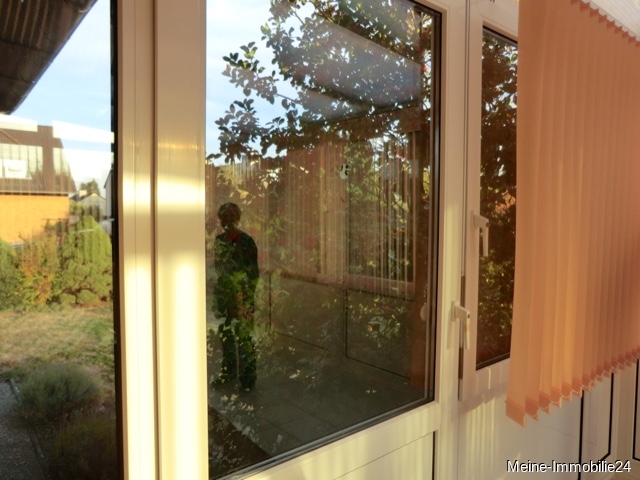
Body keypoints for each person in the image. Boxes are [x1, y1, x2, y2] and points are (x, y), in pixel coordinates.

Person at [213, 202, 259, 391]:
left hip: (242, 299)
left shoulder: (247, 242)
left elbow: (253, 274)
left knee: (244, 339)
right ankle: (229, 373)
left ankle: (247, 380)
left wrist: (244, 299)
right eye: (223, 217)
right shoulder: (219, 241)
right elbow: (218, 269)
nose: (226, 221)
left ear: (237, 218)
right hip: (225, 298)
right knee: (227, 337)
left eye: (230, 217)